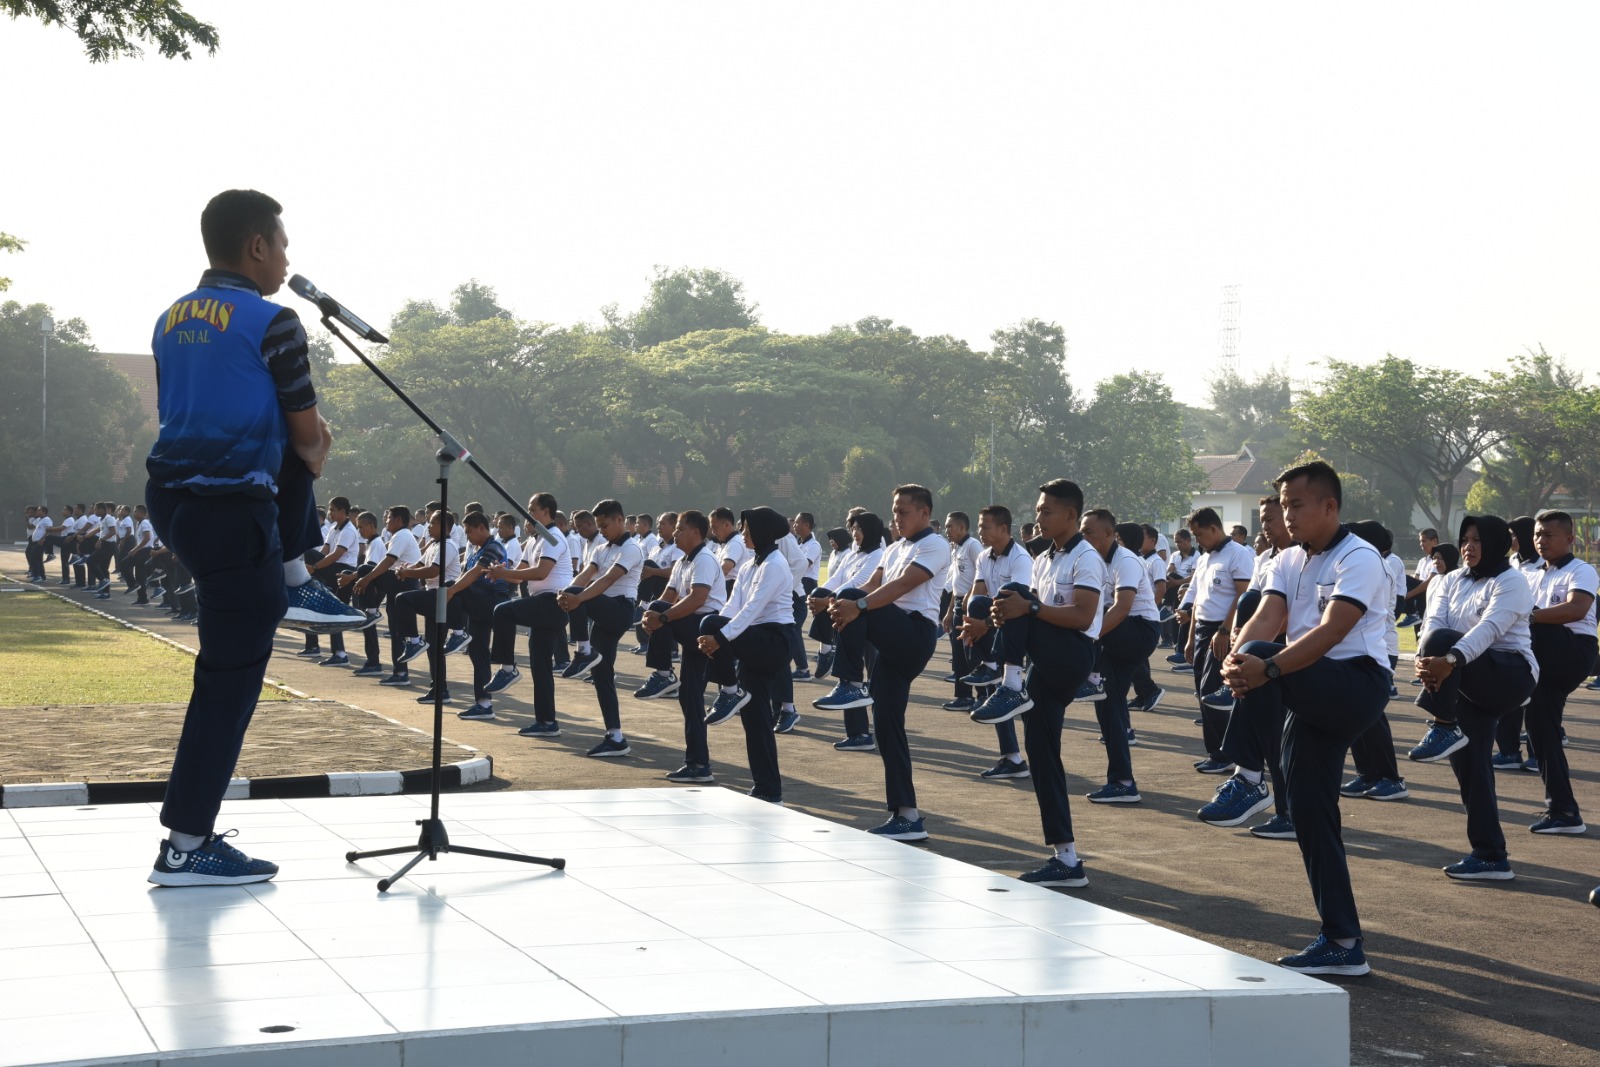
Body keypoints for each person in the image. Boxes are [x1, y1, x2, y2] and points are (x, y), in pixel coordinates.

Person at [143, 189, 365, 887]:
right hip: (233, 514)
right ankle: (186, 846)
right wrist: (320, 446)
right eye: (283, 244)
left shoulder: (170, 317)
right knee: (229, 681)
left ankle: (295, 583)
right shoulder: (275, 322)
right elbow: (305, 435)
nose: (289, 258)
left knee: (229, 662)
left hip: (172, 500)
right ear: (258, 246)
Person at [1216, 461, 1391, 975]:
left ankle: (1247, 777)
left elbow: (1335, 630)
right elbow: (1268, 616)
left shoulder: (1360, 557)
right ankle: (1342, 941)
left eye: (1296, 505)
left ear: (1330, 507)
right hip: (1304, 686)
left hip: (1354, 682)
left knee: (1265, 653)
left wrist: (1264, 665)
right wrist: (1238, 656)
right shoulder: (1287, 559)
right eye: (1282, 506)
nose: (1285, 516)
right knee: (1311, 816)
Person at [968, 479, 1104, 887]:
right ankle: (1066, 858)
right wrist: (1001, 617)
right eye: (1039, 509)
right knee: (1042, 756)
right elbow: (1032, 615)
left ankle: (1010, 684)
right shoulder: (1043, 558)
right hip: (1044, 663)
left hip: (1073, 654)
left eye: (1046, 511)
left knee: (1016, 595)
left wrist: (1026, 607)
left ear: (1070, 515)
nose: (1039, 516)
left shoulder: (1086, 557)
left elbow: (1082, 617)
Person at [1408, 516, 1538, 881]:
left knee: (1443, 644)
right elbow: (1433, 621)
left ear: (1497, 544)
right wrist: (1426, 662)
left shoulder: (1512, 581)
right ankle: (1490, 855)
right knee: (1471, 769)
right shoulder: (1450, 580)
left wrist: (1446, 660)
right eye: (1464, 539)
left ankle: (1442, 724)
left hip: (1509, 674)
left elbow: (1489, 630)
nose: (1469, 546)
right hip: (1462, 676)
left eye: (1478, 540)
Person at [816, 485, 947, 840]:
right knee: (888, 728)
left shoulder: (934, 544)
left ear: (924, 512)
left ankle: (849, 683)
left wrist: (855, 606)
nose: (896, 518)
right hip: (889, 638)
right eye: (894, 511)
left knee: (854, 599)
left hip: (914, 634)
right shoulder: (894, 548)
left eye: (903, 512)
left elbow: (904, 585)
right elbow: (875, 583)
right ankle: (907, 815)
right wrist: (837, 603)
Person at [697, 508, 794, 803]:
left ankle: (729, 691)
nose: (742, 530)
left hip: (774, 640)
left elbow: (752, 609)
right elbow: (731, 607)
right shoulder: (752, 564)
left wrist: (720, 636)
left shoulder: (775, 564)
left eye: (747, 526)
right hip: (754, 639)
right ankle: (768, 788)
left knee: (711, 623)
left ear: (763, 529)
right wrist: (714, 638)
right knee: (756, 718)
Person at [638, 509, 726, 781]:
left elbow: (698, 599)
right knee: (690, 699)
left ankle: (663, 673)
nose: (674, 533)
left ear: (696, 533)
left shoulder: (706, 560)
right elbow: (669, 595)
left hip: (706, 627)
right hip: (690, 631)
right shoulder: (682, 562)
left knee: (663, 614)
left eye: (679, 529)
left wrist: (662, 617)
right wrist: (651, 617)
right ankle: (698, 765)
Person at [1518, 511, 1592, 835]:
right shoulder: (1531, 573)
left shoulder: (1582, 570)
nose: (1540, 540)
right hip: (1541, 662)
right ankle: (1563, 810)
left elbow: (1577, 609)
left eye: (1548, 534)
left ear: (1570, 539)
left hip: (1573, 650)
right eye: (1537, 534)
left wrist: (1527, 616)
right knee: (1539, 731)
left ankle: (1449, 718)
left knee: (1526, 627)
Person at [1080, 515, 1161, 804]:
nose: (1083, 536)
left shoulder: (1125, 559)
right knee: (1108, 705)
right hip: (1117, 638)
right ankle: (1123, 782)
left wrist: (1089, 637)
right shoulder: (1092, 560)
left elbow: (1123, 607)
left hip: (1140, 630)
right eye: (1081, 531)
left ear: (1109, 533)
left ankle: (1089, 676)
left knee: (1090, 620)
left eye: (1088, 531)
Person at [557, 499, 644, 757]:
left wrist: (577, 598)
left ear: (620, 520)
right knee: (602, 675)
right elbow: (585, 575)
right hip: (602, 609)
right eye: (599, 526)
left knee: (580, 596)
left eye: (605, 525)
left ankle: (584, 652)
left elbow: (607, 580)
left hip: (620, 609)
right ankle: (615, 737)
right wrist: (566, 593)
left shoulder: (632, 549)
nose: (602, 530)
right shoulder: (601, 549)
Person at [482, 493, 573, 737]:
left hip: (553, 603)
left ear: (545, 511)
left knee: (503, 611)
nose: (527, 514)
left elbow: (542, 572)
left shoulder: (553, 537)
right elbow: (520, 572)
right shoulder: (535, 540)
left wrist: (504, 574)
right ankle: (547, 722)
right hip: (540, 604)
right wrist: (501, 572)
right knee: (540, 667)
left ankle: (508, 668)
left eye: (531, 509)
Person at [958, 504, 1035, 779]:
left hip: (1019, 632)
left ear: (1003, 529)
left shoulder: (1021, 559)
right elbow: (977, 594)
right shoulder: (985, 557)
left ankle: (1038, 756)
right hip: (995, 626)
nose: (980, 531)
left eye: (985, 526)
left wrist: (983, 625)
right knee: (996, 696)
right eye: (979, 526)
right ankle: (1012, 759)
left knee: (1027, 704)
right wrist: (971, 624)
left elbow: (1016, 605)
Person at [1178, 508, 1254, 772]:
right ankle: (1216, 752)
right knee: (1202, 692)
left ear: (1213, 528)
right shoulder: (1205, 557)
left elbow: (1242, 597)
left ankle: (1227, 754)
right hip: (1201, 629)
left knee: (1214, 693)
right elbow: (1198, 598)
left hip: (1222, 631)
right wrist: (1189, 639)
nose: (1198, 540)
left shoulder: (1239, 554)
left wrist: (1224, 631)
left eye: (1200, 534)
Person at [940, 511, 984, 713]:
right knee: (959, 655)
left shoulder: (973, 546)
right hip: (958, 603)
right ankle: (963, 696)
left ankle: (983, 696)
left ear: (962, 527)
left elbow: (980, 576)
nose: (946, 530)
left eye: (950, 526)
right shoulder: (956, 548)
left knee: (972, 654)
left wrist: (969, 598)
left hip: (971, 606)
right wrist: (949, 612)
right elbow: (955, 584)